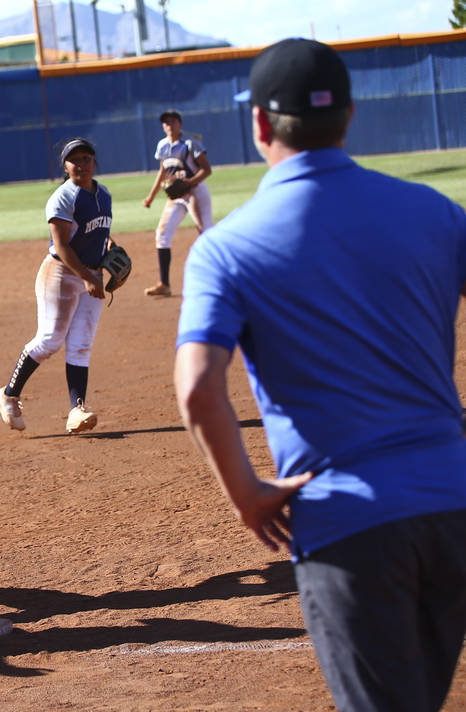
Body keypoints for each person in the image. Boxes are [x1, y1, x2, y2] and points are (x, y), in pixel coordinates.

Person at [174, 38, 466, 712]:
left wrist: (247, 493)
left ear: (259, 126)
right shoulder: (437, 212)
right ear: (351, 116)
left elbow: (196, 388)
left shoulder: (228, 249)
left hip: (349, 524)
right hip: (453, 504)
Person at [0, 137, 112, 434]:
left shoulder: (104, 194)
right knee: (49, 340)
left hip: (91, 275)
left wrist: (110, 253)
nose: (81, 164)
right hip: (61, 273)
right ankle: (8, 394)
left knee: (81, 344)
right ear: (66, 166)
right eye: (75, 159)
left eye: (86, 158)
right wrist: (87, 276)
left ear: (94, 161)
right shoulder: (63, 197)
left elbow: (100, 235)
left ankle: (77, 409)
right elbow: (62, 245)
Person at [142, 109, 213, 297]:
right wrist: (151, 196)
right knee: (162, 234)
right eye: (165, 122)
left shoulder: (190, 144)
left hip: (196, 192)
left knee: (206, 233)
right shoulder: (163, 146)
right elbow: (162, 173)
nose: (169, 125)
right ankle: (164, 284)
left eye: (173, 121)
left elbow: (206, 170)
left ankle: (219, 278)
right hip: (176, 196)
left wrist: (190, 182)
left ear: (180, 124)